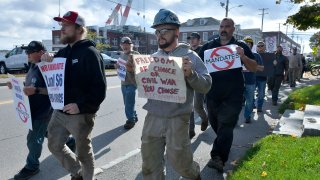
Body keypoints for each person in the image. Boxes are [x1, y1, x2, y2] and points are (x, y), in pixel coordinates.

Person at [139, 9, 212, 180]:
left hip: (178, 119)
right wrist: (130, 72)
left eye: (165, 30)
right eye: (157, 31)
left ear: (177, 32)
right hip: (153, 117)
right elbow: (141, 84)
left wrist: (191, 75)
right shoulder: (153, 57)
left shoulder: (191, 56)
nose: (160, 35)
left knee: (182, 165)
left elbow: (207, 85)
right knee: (149, 166)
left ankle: (194, 175)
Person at [42, 11, 106, 180]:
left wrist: (80, 105)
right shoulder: (62, 53)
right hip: (59, 111)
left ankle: (87, 177)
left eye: (66, 25)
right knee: (54, 145)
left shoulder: (90, 53)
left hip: (81, 114)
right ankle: (77, 172)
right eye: (61, 25)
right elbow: (53, 76)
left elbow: (99, 88)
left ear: (79, 29)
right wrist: (47, 59)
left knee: (84, 152)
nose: (61, 29)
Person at [8, 41, 75, 180]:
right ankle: (70, 142)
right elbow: (30, 85)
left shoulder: (49, 66)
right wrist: (16, 86)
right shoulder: (33, 65)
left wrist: (37, 90)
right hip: (33, 109)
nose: (27, 54)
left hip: (43, 112)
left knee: (33, 139)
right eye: (27, 52)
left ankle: (32, 167)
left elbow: (56, 90)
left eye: (30, 52)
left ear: (40, 52)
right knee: (48, 133)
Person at [198, 18, 257, 172]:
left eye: (227, 27)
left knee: (226, 124)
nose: (223, 29)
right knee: (217, 125)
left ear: (233, 29)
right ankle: (224, 144)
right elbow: (196, 64)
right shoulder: (209, 47)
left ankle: (218, 157)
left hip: (233, 95)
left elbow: (253, 68)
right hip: (212, 94)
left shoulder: (241, 46)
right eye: (221, 26)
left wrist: (243, 56)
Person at [187, 32, 209, 138]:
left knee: (197, 106)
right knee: (189, 106)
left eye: (194, 38)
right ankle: (191, 130)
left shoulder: (204, 50)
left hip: (200, 81)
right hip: (188, 80)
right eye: (190, 38)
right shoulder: (186, 51)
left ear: (199, 40)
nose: (191, 40)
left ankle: (205, 119)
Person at [117, 36, 139, 129]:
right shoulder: (121, 55)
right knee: (127, 103)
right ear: (121, 46)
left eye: (127, 45)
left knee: (129, 104)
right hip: (123, 83)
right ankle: (134, 116)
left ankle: (130, 120)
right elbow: (121, 68)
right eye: (123, 45)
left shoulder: (135, 54)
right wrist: (117, 67)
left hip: (132, 83)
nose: (125, 47)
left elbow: (139, 69)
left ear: (131, 45)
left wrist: (131, 68)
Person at [242, 36, 264, 123]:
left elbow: (262, 68)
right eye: (245, 43)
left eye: (249, 43)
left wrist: (251, 65)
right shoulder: (236, 56)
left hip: (250, 82)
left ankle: (247, 116)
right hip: (238, 82)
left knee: (250, 101)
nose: (247, 45)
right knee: (235, 102)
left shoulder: (256, 55)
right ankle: (234, 119)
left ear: (251, 45)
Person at [254, 41, 268, 113]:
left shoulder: (269, 56)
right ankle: (252, 104)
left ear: (265, 47)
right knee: (250, 93)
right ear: (256, 48)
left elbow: (271, 67)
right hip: (253, 77)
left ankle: (259, 107)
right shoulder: (253, 55)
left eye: (262, 46)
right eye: (258, 46)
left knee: (261, 94)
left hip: (262, 78)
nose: (260, 47)